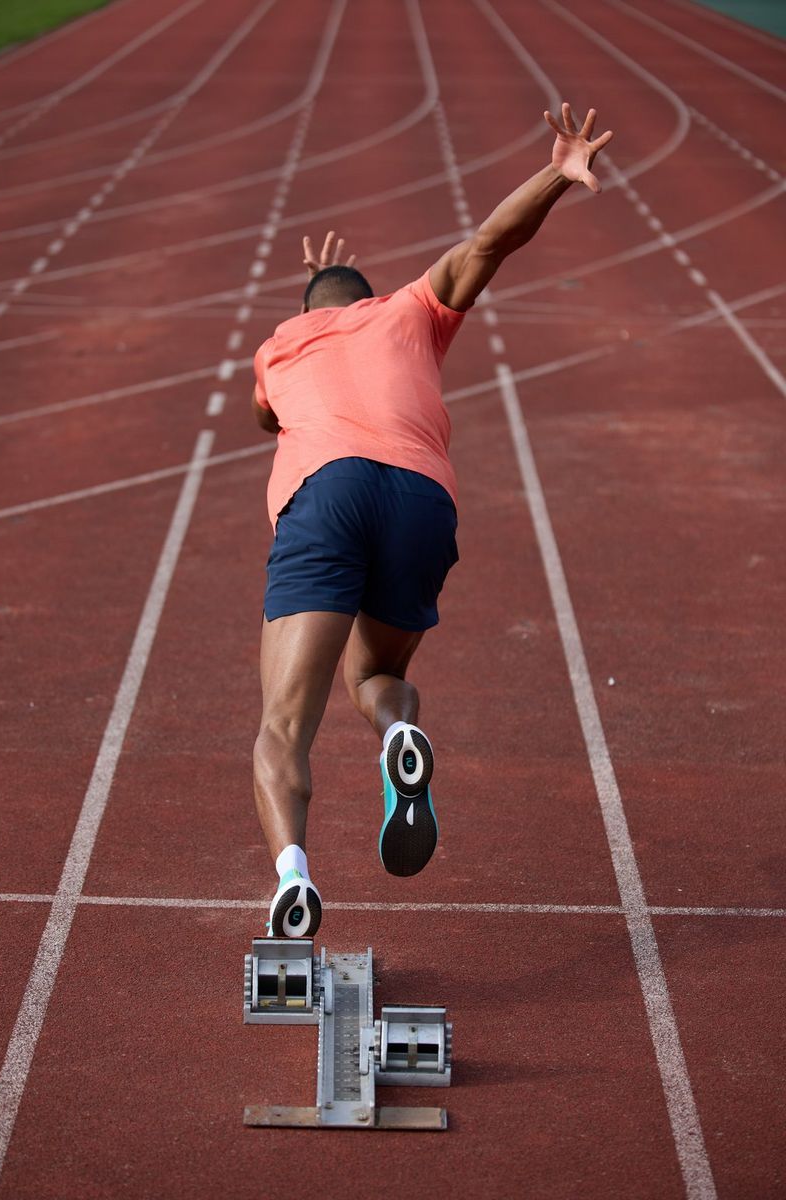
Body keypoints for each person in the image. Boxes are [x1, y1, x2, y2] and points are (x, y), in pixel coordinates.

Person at [252, 103, 613, 938]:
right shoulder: (410, 308)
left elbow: (265, 420)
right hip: (421, 496)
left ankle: (291, 880)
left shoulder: (280, 346)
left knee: (282, 726)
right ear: (368, 300)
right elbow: (490, 241)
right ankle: (395, 738)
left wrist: (305, 327)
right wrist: (558, 173)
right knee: (374, 677)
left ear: (310, 311)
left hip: (327, 493)